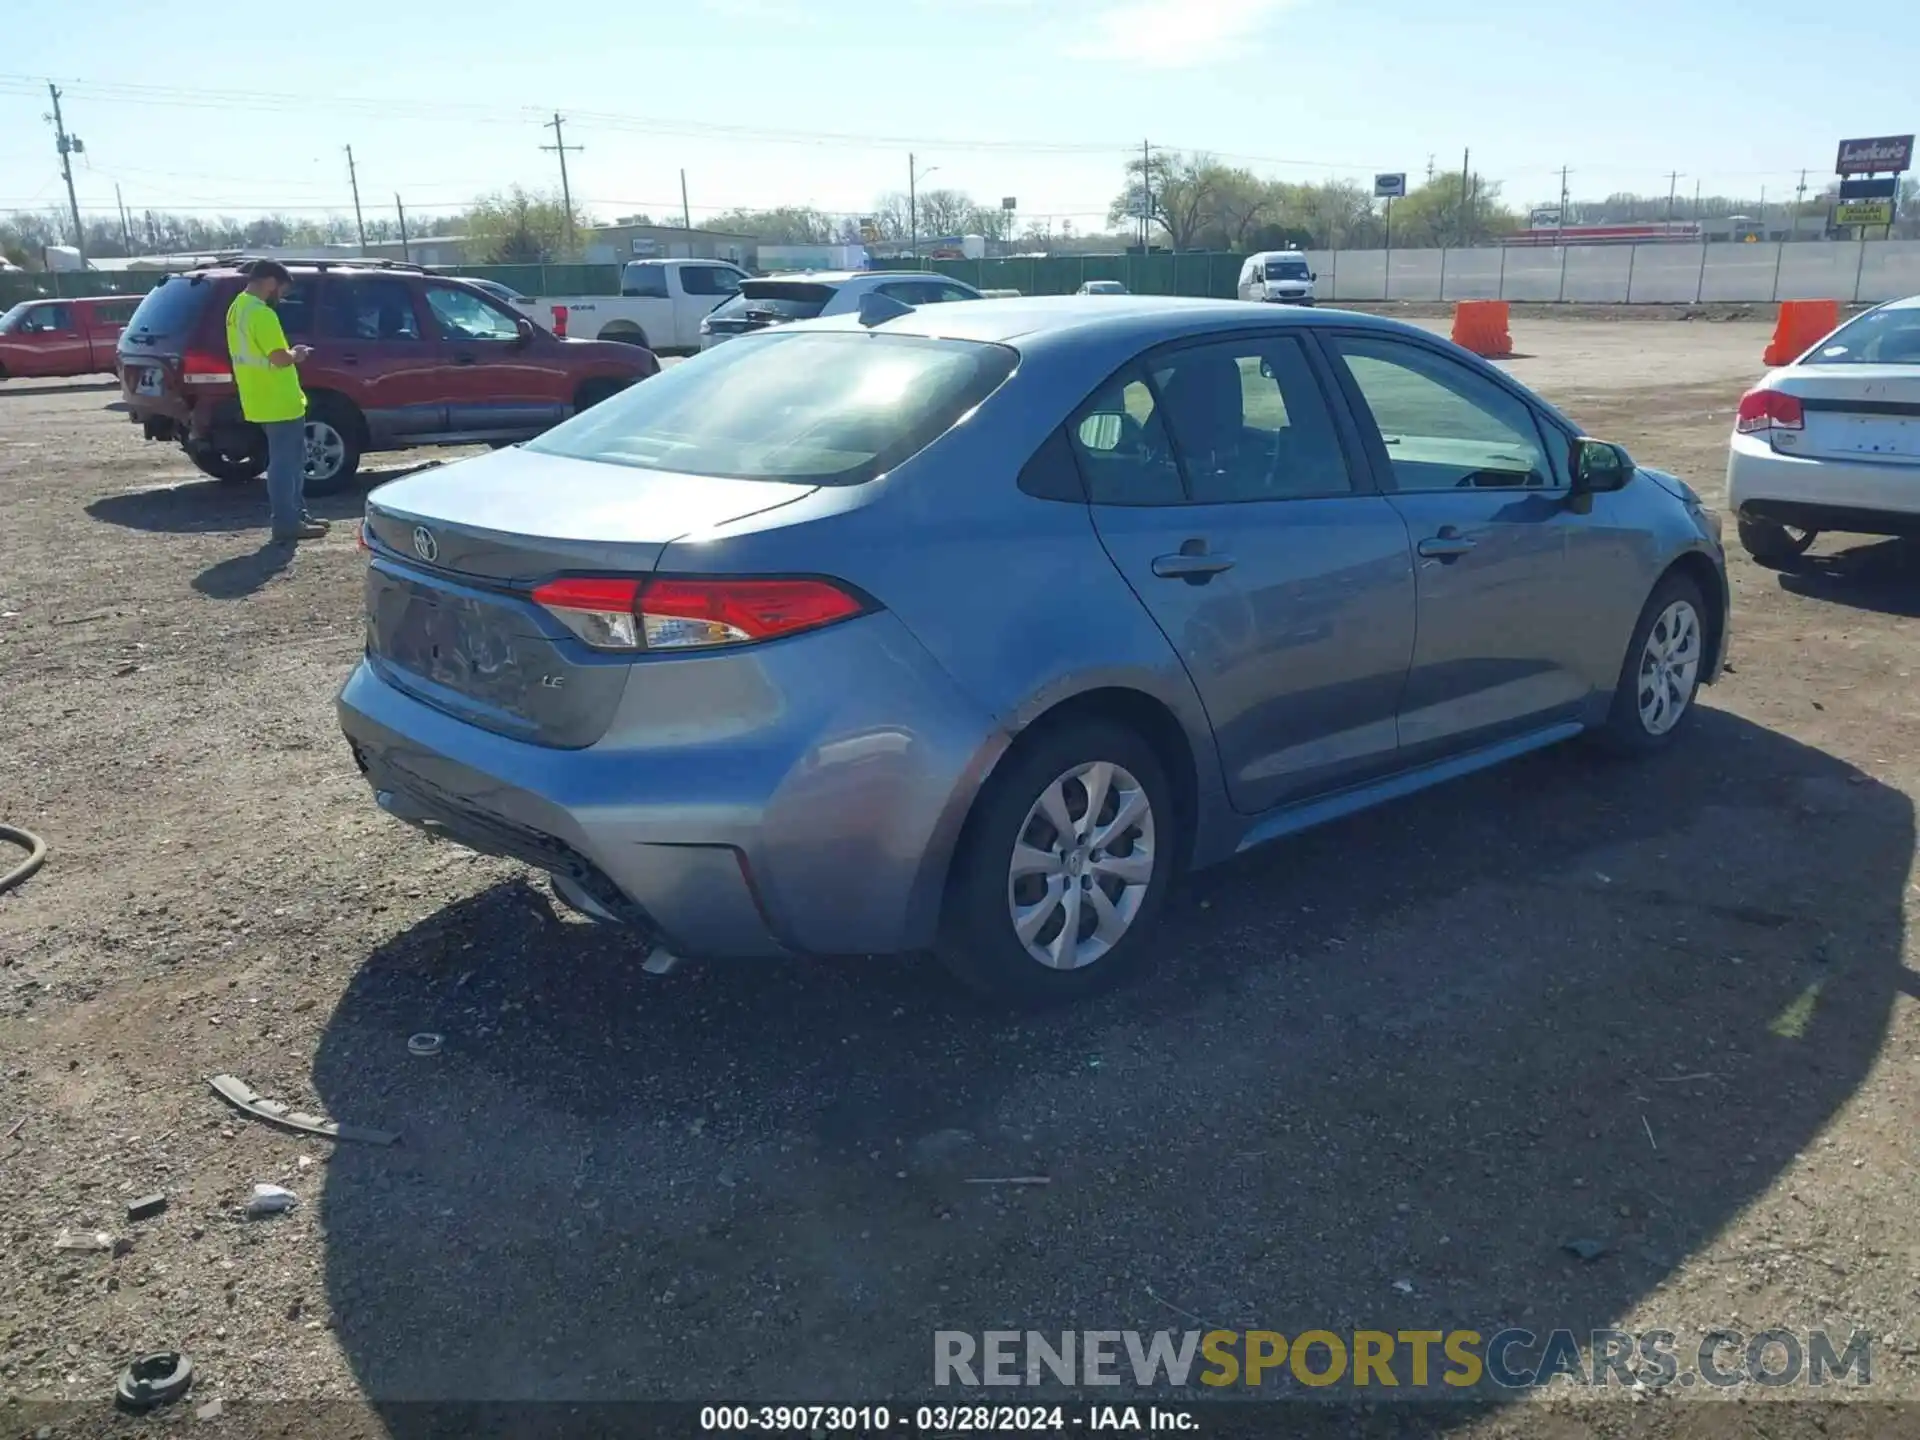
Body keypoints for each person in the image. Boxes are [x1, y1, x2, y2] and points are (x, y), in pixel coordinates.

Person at [226, 260, 327, 543]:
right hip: (279, 398)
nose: (281, 297)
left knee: (290, 460)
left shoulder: (237, 308)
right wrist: (297, 354)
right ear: (270, 282)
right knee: (286, 464)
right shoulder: (262, 314)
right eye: (281, 290)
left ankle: (297, 514)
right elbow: (279, 358)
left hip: (258, 396)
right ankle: (287, 523)